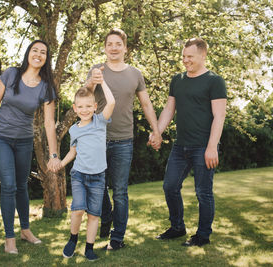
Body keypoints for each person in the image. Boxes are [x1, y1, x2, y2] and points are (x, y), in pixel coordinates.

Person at [0, 40, 60, 254]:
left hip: (24, 140)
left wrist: (53, 155)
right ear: (28, 53)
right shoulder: (11, 74)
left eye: (43, 52)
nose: (39, 54)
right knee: (8, 185)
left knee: (22, 185)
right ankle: (9, 238)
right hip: (1, 137)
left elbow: (49, 123)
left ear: (46, 58)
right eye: (35, 50)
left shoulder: (46, 86)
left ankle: (25, 230)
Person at [85, 28, 162, 250]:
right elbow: (82, 94)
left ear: (125, 48)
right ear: (105, 48)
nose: (114, 47)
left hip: (123, 140)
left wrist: (156, 130)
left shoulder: (135, 74)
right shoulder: (97, 70)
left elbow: (146, 104)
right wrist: (91, 81)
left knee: (120, 191)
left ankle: (117, 238)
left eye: (118, 43)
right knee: (96, 187)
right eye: (110, 43)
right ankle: (107, 216)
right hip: (97, 138)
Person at [153, 37, 227, 246]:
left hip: (204, 146)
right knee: (169, 186)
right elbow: (169, 109)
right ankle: (177, 227)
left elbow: (219, 116)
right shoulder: (177, 80)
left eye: (190, 56)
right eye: (183, 56)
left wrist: (212, 146)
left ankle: (203, 235)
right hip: (180, 146)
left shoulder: (214, 81)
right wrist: (157, 132)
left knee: (203, 192)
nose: (185, 60)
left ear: (203, 55)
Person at [60, 71, 115, 261]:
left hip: (98, 177)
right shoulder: (74, 129)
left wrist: (102, 82)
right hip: (79, 175)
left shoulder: (100, 122)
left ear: (95, 106)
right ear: (75, 108)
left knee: (93, 215)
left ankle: (89, 248)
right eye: (81, 107)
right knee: (77, 210)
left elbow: (112, 102)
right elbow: (73, 151)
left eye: (88, 106)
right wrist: (61, 163)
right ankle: (73, 239)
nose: (84, 110)